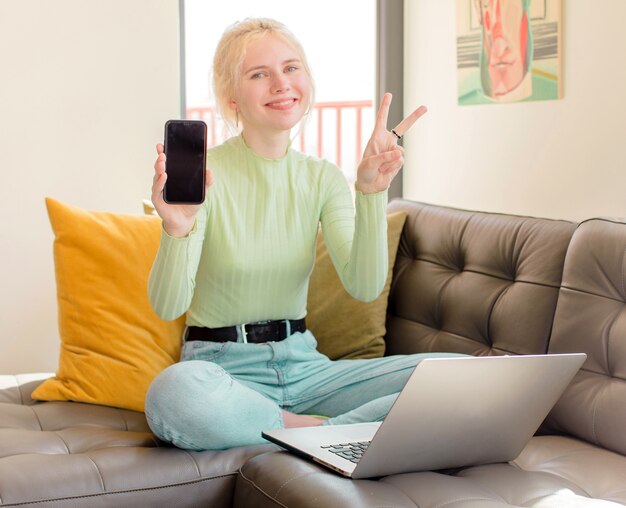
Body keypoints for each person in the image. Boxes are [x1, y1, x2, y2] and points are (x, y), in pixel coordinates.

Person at [145, 17, 461, 451]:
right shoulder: (205, 177)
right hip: (222, 372)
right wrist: (176, 230)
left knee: (459, 375)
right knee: (173, 394)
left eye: (291, 68)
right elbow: (168, 306)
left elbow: (364, 286)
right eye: (259, 74)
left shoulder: (323, 178)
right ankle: (318, 433)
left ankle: (294, 430)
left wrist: (370, 193)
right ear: (231, 96)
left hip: (307, 369)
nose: (281, 83)